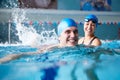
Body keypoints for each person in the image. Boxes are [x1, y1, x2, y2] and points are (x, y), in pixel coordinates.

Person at [0, 18, 79, 63]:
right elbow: (23, 54)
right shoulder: (51, 50)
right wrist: (4, 60)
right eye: (67, 32)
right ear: (59, 36)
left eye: (75, 32)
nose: (73, 35)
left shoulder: (83, 47)